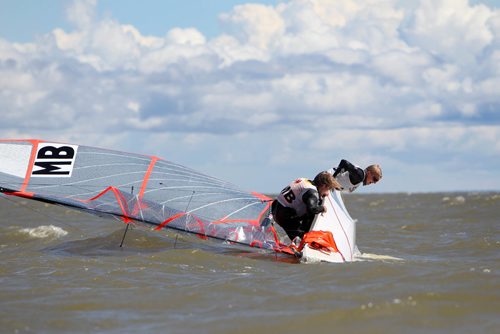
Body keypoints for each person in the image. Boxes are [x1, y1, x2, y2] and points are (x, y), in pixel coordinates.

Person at [271, 171, 341, 241]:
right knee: (303, 237)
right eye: (328, 189)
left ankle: (300, 238)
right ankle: (302, 243)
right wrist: (322, 208)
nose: (328, 193)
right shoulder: (312, 193)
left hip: (276, 206)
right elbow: (312, 209)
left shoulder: (305, 180)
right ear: (323, 185)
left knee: (308, 212)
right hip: (283, 214)